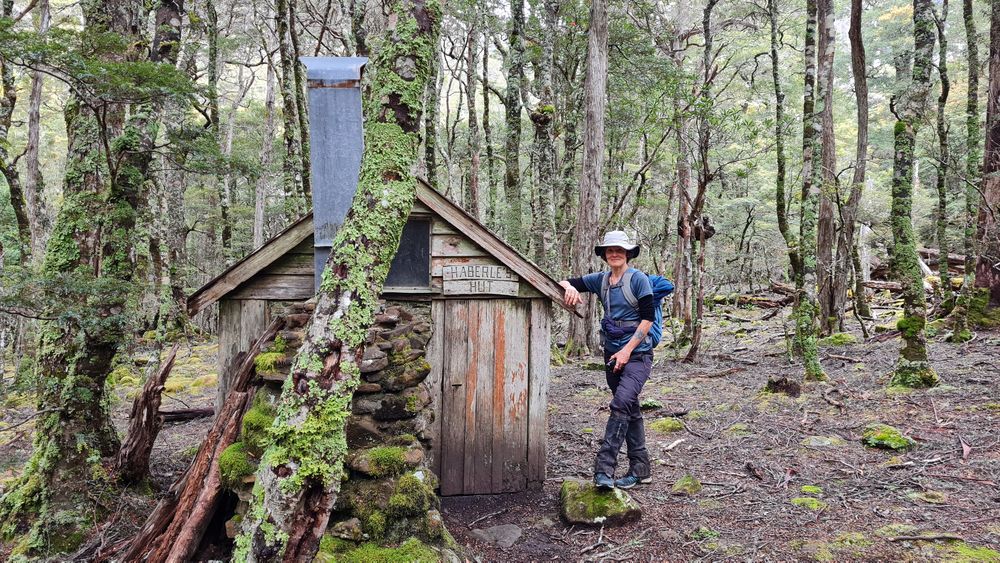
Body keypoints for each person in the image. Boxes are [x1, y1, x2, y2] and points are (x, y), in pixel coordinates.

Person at [559, 231, 655, 490]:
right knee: (630, 409)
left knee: (621, 403)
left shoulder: (639, 280)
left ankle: (604, 470)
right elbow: (564, 281)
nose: (614, 253)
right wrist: (569, 288)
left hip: (638, 355)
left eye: (620, 250)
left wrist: (627, 351)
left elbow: (647, 319)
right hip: (611, 354)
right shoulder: (600, 280)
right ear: (604, 254)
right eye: (610, 250)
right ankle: (641, 469)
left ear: (627, 254)